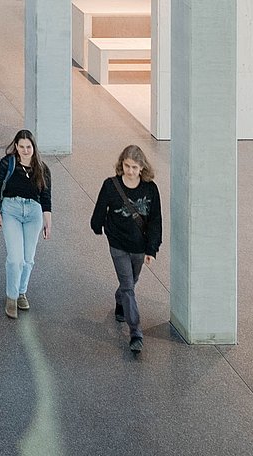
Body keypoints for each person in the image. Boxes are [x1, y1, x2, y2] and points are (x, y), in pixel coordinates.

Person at [90, 145, 163, 355]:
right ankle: (135, 332)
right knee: (129, 286)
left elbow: (155, 221)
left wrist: (152, 249)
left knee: (131, 281)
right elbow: (99, 210)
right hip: (118, 245)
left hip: (140, 247)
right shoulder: (111, 186)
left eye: (134, 167)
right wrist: (99, 227)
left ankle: (120, 300)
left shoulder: (150, 189)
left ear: (142, 167)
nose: (130, 171)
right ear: (121, 165)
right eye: (126, 166)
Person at [0, 129, 52, 320]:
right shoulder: (7, 163)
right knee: (15, 259)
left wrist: (48, 221)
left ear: (34, 147)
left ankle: (22, 291)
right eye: (21, 146)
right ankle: (12, 297)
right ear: (16, 146)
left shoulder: (42, 168)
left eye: (28, 147)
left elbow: (46, 197)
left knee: (28, 259)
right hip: (11, 209)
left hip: (34, 212)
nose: (25, 150)